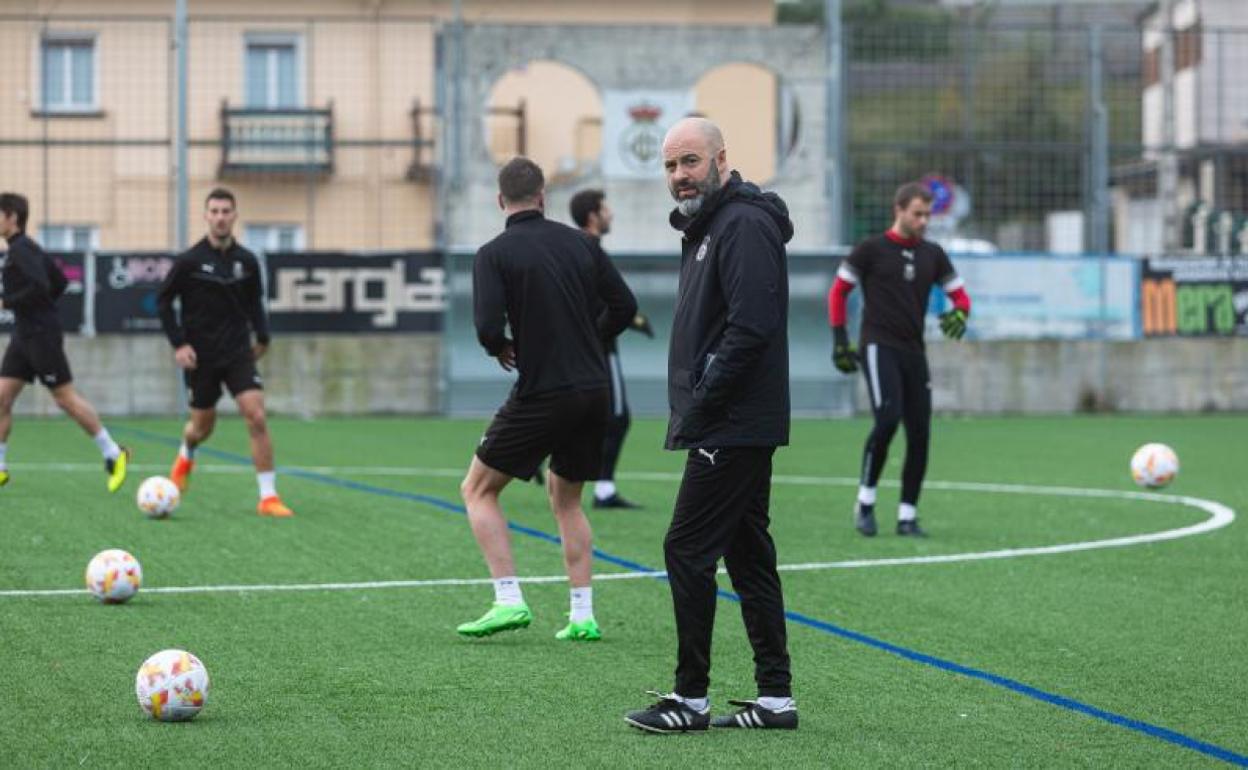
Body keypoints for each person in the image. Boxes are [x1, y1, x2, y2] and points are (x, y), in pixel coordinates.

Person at [624, 118, 797, 733]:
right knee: (747, 554)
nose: (679, 177)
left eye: (690, 162)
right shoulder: (710, 226)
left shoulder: (744, 224)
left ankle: (689, 700)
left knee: (686, 549)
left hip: (731, 421)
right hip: (730, 419)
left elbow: (752, 327)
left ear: (722, 159)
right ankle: (775, 700)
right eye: (670, 167)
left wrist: (702, 401)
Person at [457, 158, 637, 642]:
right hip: (595, 390)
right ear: (542, 197)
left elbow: (487, 327)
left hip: (545, 390)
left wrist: (500, 348)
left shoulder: (493, 253)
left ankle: (508, 600)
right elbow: (624, 306)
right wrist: (589, 339)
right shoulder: (582, 243)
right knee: (566, 499)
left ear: (501, 201)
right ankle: (582, 615)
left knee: (477, 490)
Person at [828, 181, 971, 538]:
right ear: (900, 210)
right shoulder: (871, 250)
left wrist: (962, 313)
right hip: (877, 346)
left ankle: (907, 516)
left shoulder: (933, 254)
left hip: (913, 351)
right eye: (918, 214)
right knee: (888, 420)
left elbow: (961, 296)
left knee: (920, 434)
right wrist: (840, 339)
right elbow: (838, 292)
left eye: (928, 215)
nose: (924, 221)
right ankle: (865, 502)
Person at [156, 187, 293, 517]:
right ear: (206, 216)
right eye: (214, 211)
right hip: (201, 357)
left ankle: (268, 497)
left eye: (225, 211)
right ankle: (187, 450)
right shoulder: (189, 261)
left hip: (237, 352)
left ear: (234, 216)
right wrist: (179, 344)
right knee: (201, 427)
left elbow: (255, 303)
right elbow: (162, 301)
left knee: (256, 415)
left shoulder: (247, 262)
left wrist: (263, 336)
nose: (220, 217)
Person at [0, 192, 129, 491]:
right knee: (2, 397)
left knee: (64, 398)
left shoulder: (21, 250)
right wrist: (31, 308)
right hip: (25, 333)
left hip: (40, 334)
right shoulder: (25, 249)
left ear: (11, 217)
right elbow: (59, 282)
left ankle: (113, 452)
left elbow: (42, 286)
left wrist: (9, 303)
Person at [568, 188, 654, 510]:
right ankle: (604, 490)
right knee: (617, 417)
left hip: (577, 349)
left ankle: (531, 453)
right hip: (602, 350)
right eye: (605, 209)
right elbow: (615, 303)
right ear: (593, 216)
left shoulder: (572, 249)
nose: (611, 214)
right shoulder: (591, 250)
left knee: (574, 415)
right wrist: (635, 321)